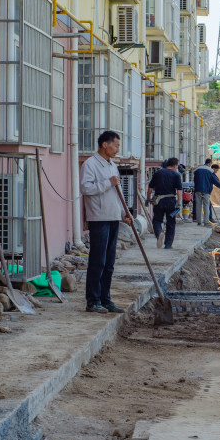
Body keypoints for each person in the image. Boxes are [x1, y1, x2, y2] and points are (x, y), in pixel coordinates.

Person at [79, 130, 134, 314]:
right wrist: (107, 183)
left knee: (109, 262)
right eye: (116, 145)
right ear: (105, 145)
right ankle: (93, 301)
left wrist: (124, 213)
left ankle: (106, 299)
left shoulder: (112, 165)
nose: (117, 149)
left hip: (113, 217)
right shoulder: (90, 164)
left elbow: (116, 193)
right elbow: (86, 188)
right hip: (99, 218)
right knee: (98, 261)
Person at [147, 157, 183, 249]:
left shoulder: (158, 173)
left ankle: (159, 232)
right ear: (175, 165)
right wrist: (179, 202)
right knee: (171, 222)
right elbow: (179, 190)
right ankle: (168, 245)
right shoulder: (176, 175)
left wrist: (148, 198)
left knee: (157, 220)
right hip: (171, 201)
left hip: (158, 200)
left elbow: (150, 187)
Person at [193, 158, 220, 227]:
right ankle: (206, 222)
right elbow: (215, 180)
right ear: (209, 164)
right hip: (206, 190)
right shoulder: (210, 170)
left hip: (197, 189)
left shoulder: (197, 170)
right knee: (206, 206)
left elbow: (194, 179)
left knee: (198, 205)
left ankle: (199, 222)